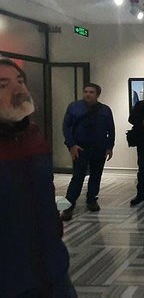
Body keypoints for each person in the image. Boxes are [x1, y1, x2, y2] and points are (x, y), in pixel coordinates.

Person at [0, 57, 77, 296]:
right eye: (3, 85)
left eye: (20, 81)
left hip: (51, 266)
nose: (18, 89)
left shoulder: (33, 135)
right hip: (10, 277)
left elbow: (45, 192)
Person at [60, 82, 115, 221]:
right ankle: (68, 205)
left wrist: (110, 147)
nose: (88, 94)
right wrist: (72, 145)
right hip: (80, 147)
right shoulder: (74, 107)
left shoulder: (105, 110)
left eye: (91, 92)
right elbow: (66, 127)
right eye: (86, 91)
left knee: (96, 174)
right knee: (78, 176)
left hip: (99, 147)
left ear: (97, 94)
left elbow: (111, 129)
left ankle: (91, 199)